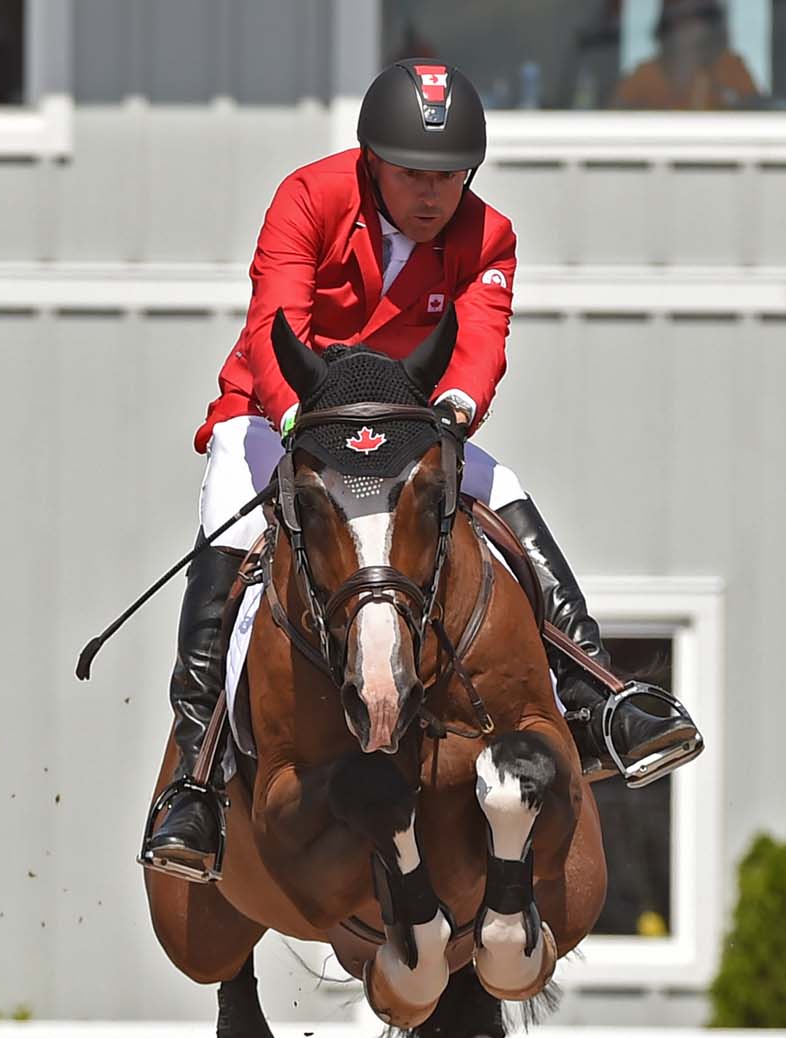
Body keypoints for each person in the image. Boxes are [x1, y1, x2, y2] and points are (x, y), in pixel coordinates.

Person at [143, 59, 696, 878]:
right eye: (413, 174)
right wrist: (301, 420)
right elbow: (274, 323)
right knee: (231, 503)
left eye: (450, 175)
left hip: (409, 428)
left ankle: (599, 698)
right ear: (371, 160)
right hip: (282, 415)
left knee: (503, 491)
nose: (434, 195)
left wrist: (458, 412)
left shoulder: (491, 235)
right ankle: (193, 776)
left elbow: (481, 343)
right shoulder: (308, 197)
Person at [613, 0, 757, 111]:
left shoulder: (730, 68)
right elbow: (614, 120)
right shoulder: (647, 74)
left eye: (702, 16)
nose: (694, 27)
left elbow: (758, 115)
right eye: (682, 18)